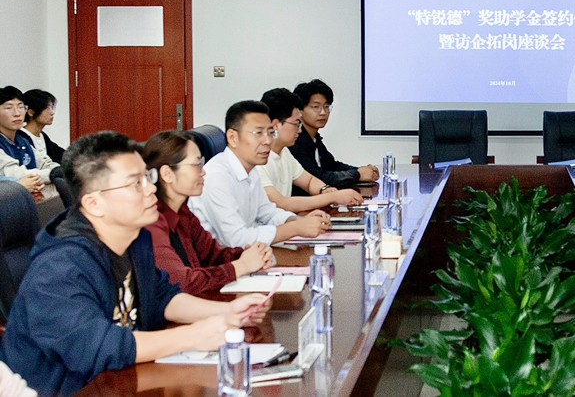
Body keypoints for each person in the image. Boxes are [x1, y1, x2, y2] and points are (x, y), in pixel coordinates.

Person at [0, 131, 270, 396]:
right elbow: (98, 347)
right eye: (136, 183)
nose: (151, 188)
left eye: (147, 177)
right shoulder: (59, 267)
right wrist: (193, 336)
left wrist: (225, 312)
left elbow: (161, 295)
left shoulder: (135, 237)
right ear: (94, 203)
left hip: (123, 382)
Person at [143, 131, 274, 295]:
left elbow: (212, 255)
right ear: (167, 174)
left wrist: (250, 255)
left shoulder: (182, 212)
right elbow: (182, 282)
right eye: (196, 165)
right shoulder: (151, 222)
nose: (203, 171)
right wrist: (241, 266)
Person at [188, 100, 332, 248]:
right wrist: (295, 228)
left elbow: (268, 213)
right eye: (258, 133)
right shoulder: (216, 176)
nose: (268, 141)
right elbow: (236, 239)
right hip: (218, 259)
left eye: (270, 133)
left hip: (244, 256)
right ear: (232, 138)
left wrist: (298, 221)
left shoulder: (250, 169)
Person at [259, 88, 363, 212]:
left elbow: (309, 181)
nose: (299, 130)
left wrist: (325, 190)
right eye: (296, 124)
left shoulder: (284, 152)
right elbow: (281, 204)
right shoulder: (257, 160)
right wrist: (332, 197)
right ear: (276, 125)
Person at [289, 79, 378, 190]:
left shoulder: (314, 138)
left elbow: (332, 165)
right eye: (316, 107)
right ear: (300, 111)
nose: (323, 112)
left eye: (327, 106)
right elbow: (318, 178)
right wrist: (358, 174)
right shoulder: (295, 141)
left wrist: (362, 170)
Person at [0, 86, 57, 200]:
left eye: (21, 107)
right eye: (9, 108)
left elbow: (44, 163)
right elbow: (16, 174)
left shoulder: (22, 141)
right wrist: (55, 174)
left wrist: (60, 171)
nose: (17, 113)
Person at [19, 89, 64, 164]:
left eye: (52, 108)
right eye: (47, 108)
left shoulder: (44, 137)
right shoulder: (19, 137)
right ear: (31, 112)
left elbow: (64, 156)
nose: (52, 113)